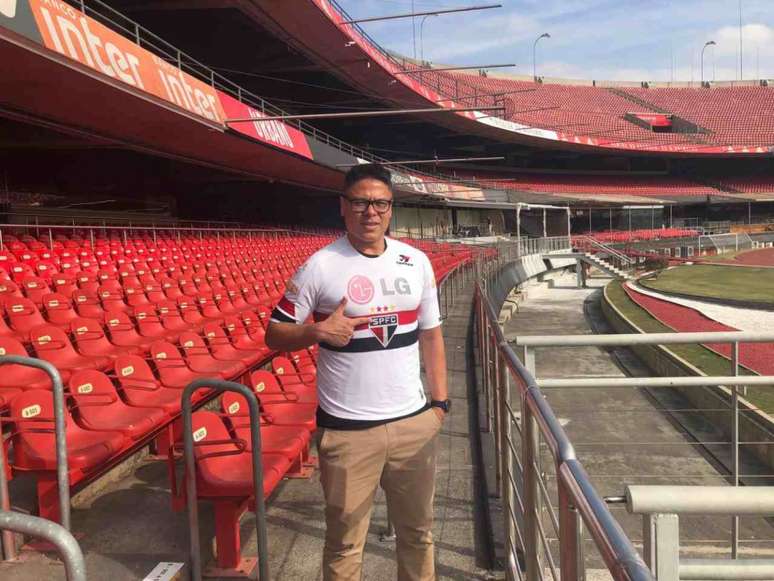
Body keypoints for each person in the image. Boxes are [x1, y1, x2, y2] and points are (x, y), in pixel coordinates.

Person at [266, 163, 449, 581]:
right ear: (343, 207)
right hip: (348, 432)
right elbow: (274, 334)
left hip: (412, 425)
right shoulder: (320, 265)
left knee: (418, 536)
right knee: (346, 544)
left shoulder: (415, 262)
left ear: (391, 209)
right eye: (361, 202)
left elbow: (433, 335)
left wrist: (438, 405)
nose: (371, 211)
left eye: (380, 203)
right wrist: (315, 330)